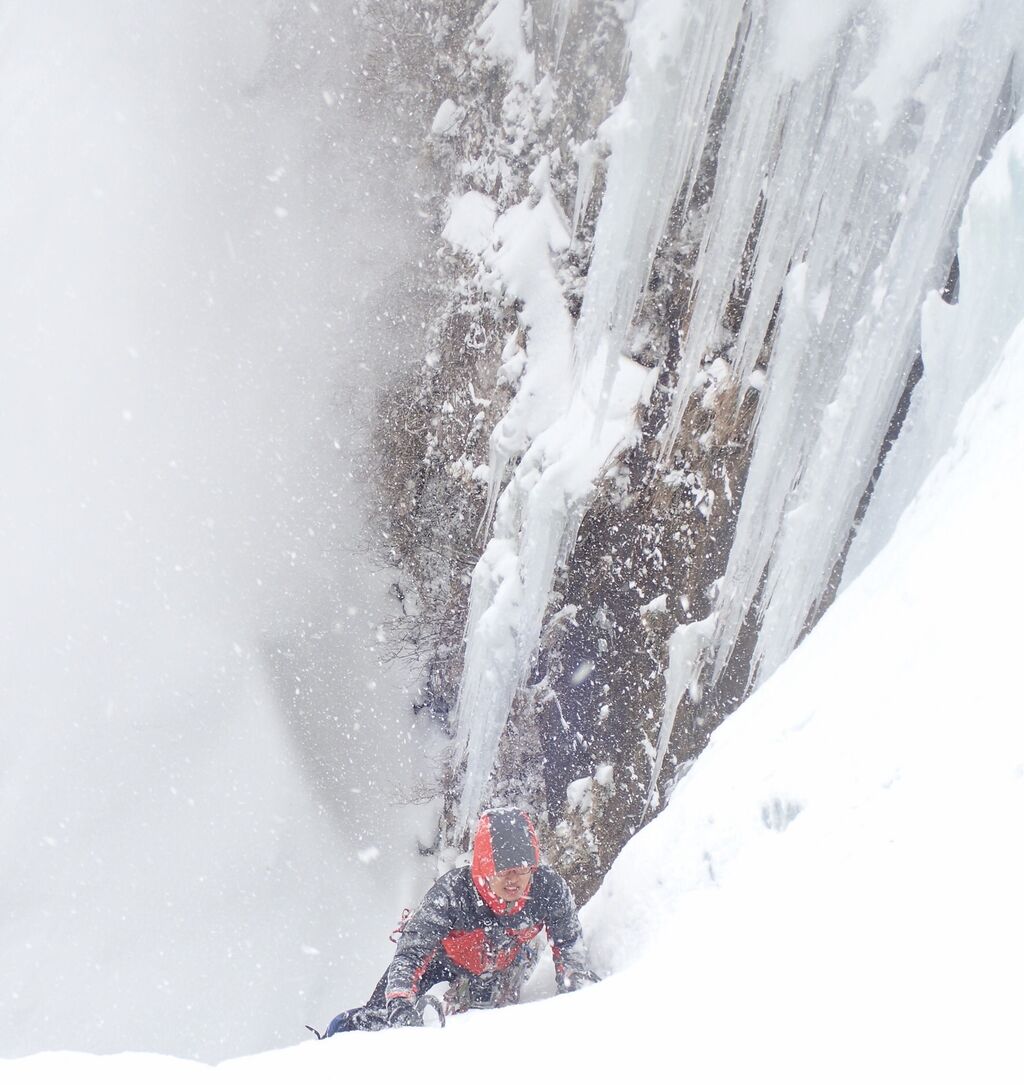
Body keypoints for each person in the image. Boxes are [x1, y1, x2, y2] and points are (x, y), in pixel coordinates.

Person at [323, 807, 598, 1034]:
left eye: (522, 870)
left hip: (500, 966)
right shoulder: (452, 894)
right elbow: (411, 953)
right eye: (503, 871)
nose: (514, 880)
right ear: (485, 868)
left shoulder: (548, 889)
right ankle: (339, 1034)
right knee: (379, 1019)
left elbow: (569, 943)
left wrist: (575, 986)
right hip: (440, 962)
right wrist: (400, 1000)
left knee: (486, 1028)